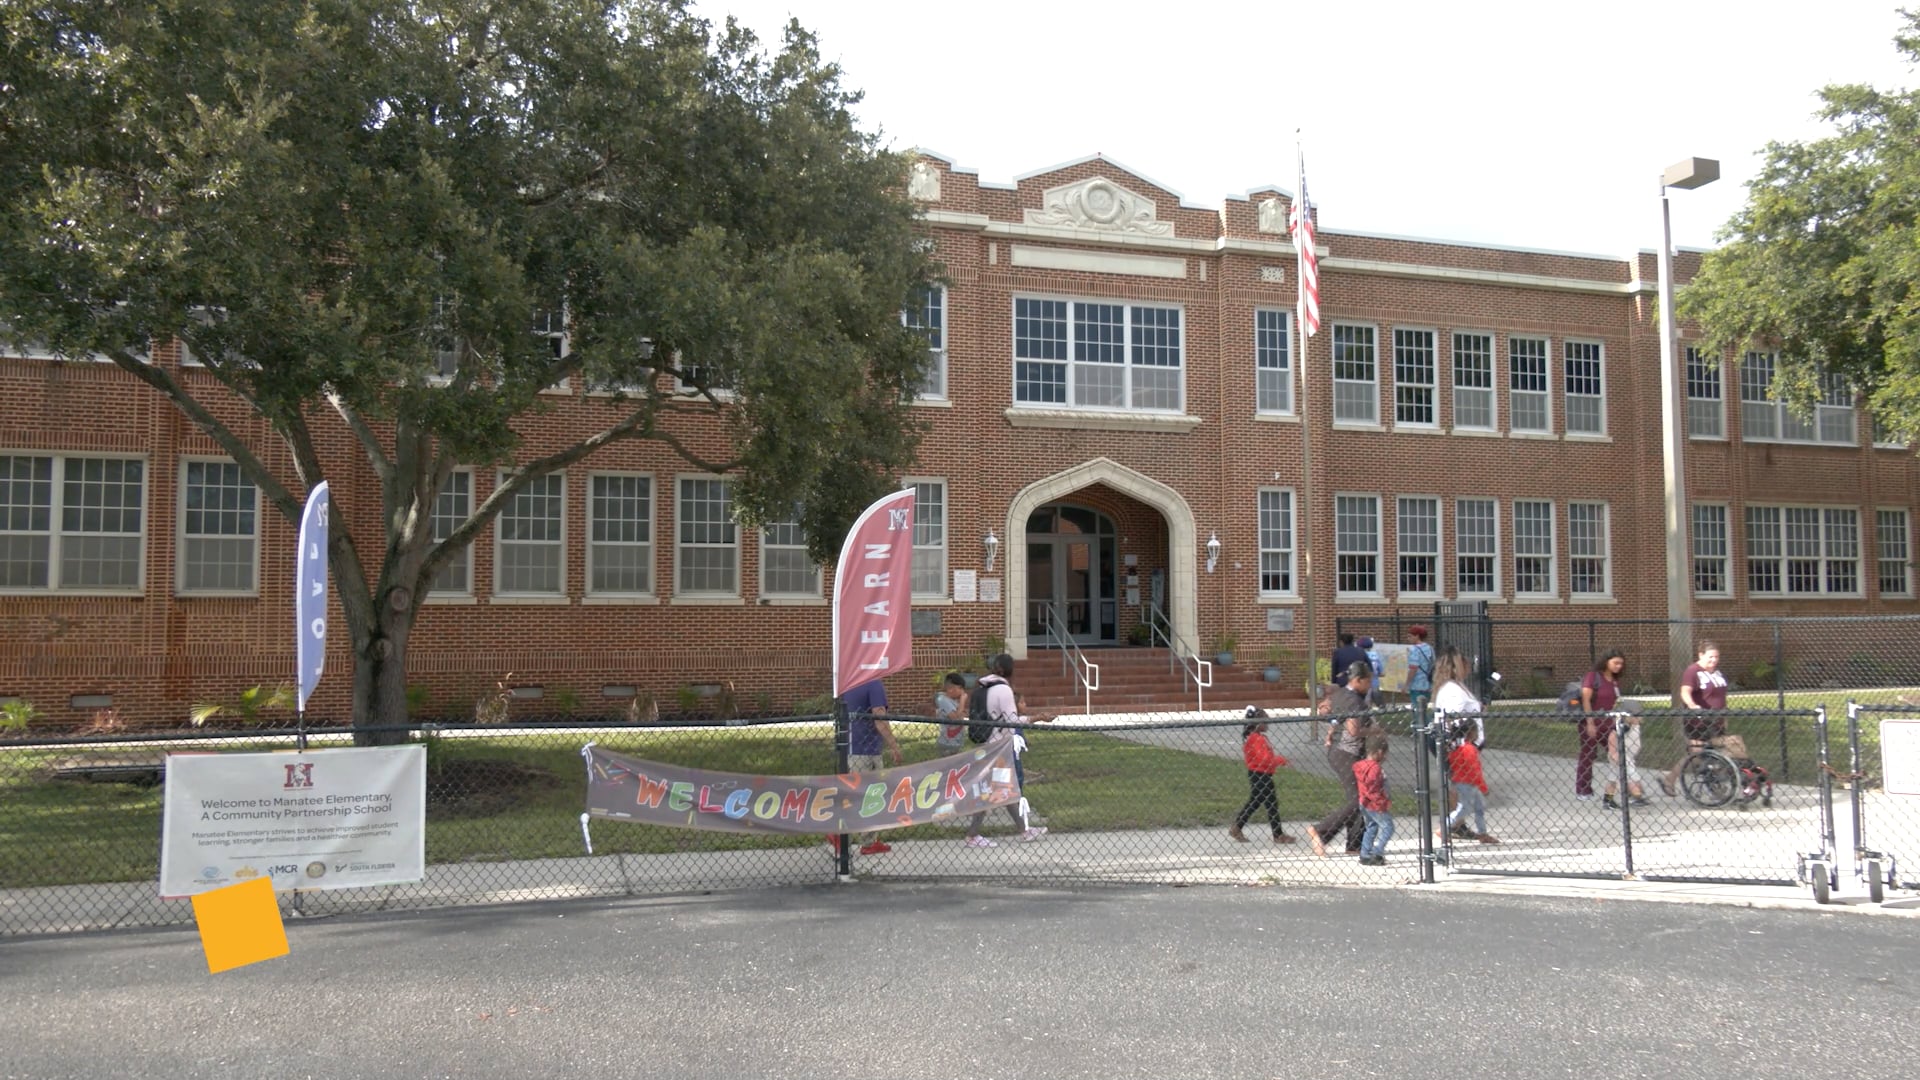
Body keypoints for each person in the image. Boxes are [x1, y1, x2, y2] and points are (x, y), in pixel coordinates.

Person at [963, 653, 1052, 847]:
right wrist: (1037, 718)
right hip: (999, 747)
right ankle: (972, 835)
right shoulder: (1003, 690)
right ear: (1008, 669)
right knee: (993, 791)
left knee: (1004, 790)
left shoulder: (982, 686)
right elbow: (1011, 720)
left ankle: (1024, 830)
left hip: (986, 743)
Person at [1306, 661, 1377, 858]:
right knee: (1359, 798)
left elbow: (1336, 719)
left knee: (1357, 796)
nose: (1370, 684)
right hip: (1347, 753)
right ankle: (1321, 830)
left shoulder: (1340, 695)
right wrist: (1376, 730)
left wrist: (1330, 733)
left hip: (1339, 751)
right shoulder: (1354, 701)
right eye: (1368, 680)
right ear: (1358, 680)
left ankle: (1354, 843)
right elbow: (1354, 731)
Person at [1663, 641, 1745, 797]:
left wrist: (1724, 715)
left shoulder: (1717, 673)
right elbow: (1685, 691)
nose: (1714, 660)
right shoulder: (1693, 671)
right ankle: (1670, 779)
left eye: (1716, 657)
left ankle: (1715, 781)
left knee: (1723, 749)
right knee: (1696, 756)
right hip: (1699, 722)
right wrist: (1692, 706)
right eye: (1710, 657)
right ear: (1700, 655)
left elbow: (1720, 696)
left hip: (1717, 721)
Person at [841, 677, 900, 857]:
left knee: (856, 795)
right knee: (871, 797)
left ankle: (850, 835)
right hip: (868, 750)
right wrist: (894, 746)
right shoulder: (874, 684)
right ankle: (862, 840)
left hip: (851, 747)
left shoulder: (849, 683)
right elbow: (879, 718)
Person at [1431, 645, 1485, 834]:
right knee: (1459, 785)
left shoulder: (1457, 686)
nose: (1469, 666)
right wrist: (1464, 745)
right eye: (1465, 663)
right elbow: (1455, 719)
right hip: (1458, 746)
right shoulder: (1452, 690)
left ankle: (1456, 823)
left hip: (1463, 744)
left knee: (1460, 784)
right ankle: (1451, 824)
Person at [1229, 708, 1295, 845]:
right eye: (1265, 720)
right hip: (1259, 774)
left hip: (1263, 774)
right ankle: (1276, 834)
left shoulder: (1259, 737)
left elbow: (1266, 758)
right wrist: (1281, 760)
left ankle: (1240, 827)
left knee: (1267, 803)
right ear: (1257, 723)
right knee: (1262, 803)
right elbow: (1264, 759)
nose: (1267, 723)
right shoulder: (1256, 739)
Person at [1575, 651, 1625, 801]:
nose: (1618, 666)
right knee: (1588, 755)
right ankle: (1583, 790)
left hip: (1608, 724)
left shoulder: (1614, 681)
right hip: (1591, 722)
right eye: (1615, 663)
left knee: (1618, 754)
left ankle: (1622, 790)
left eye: (1621, 664)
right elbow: (1586, 700)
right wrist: (1590, 722)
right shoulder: (1593, 677)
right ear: (1606, 662)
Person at [1443, 726, 1497, 844]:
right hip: (1467, 782)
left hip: (1466, 781)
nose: (1478, 734)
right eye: (1477, 731)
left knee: (1479, 807)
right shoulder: (1469, 749)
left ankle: (1483, 834)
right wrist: (1483, 788)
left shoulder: (1457, 748)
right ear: (1471, 733)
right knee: (1464, 808)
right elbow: (1474, 770)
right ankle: (1444, 828)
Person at [1354, 735, 1393, 866]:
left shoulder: (1360, 765)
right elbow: (1373, 787)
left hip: (1363, 802)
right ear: (1379, 752)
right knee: (1388, 827)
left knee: (1371, 826)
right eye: (1385, 754)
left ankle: (1365, 853)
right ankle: (1377, 852)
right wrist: (1381, 802)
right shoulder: (1375, 768)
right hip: (1375, 804)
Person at [1603, 700, 1649, 809]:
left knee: (1613, 779)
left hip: (1627, 756)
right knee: (1632, 778)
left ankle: (1607, 800)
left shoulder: (1634, 725)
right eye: (1637, 716)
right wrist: (1614, 753)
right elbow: (1612, 737)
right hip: (1620, 756)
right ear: (1628, 716)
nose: (1640, 718)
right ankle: (1636, 798)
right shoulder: (1625, 726)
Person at [1405, 625, 1436, 723]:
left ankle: (1422, 733)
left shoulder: (1414, 650)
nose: (1408, 639)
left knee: (1418, 711)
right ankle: (1427, 730)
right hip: (1428, 684)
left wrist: (1406, 684)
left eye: (1410, 636)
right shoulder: (1430, 648)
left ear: (1417, 636)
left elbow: (1413, 668)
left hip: (1416, 685)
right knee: (1424, 709)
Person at [933, 672, 968, 752]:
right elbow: (955, 718)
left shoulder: (954, 701)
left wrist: (961, 709)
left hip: (957, 741)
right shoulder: (942, 699)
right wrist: (962, 701)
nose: (963, 692)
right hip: (948, 743)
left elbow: (963, 713)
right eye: (961, 688)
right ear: (951, 688)